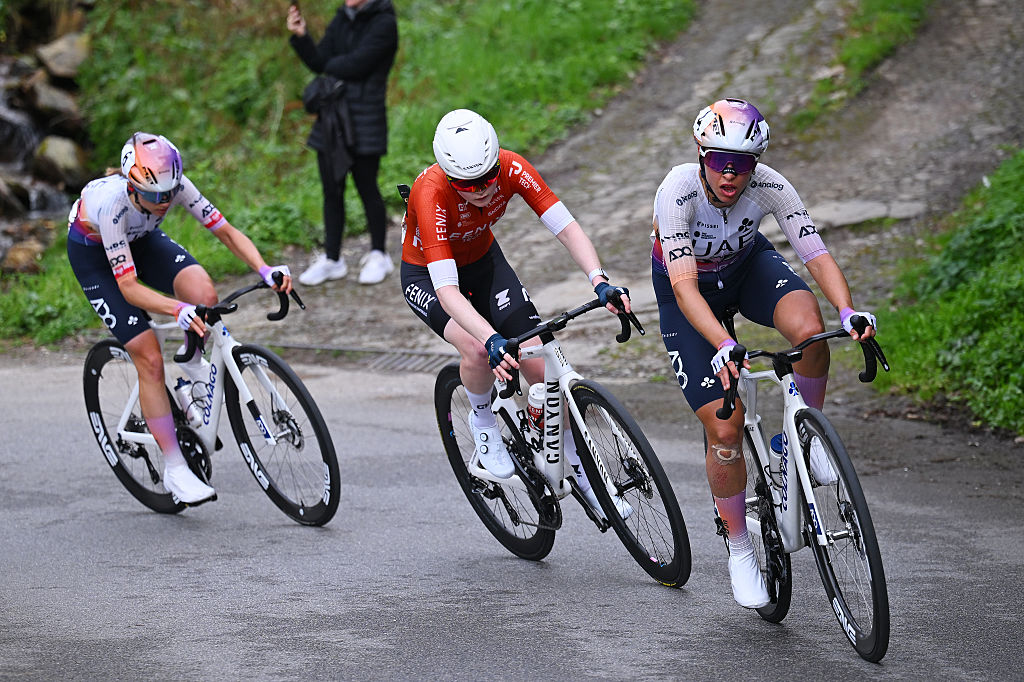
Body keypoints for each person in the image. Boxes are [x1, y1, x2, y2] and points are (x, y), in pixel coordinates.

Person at [651, 98, 877, 608]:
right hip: (686, 292)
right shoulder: (678, 191)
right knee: (725, 429)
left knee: (811, 330)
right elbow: (686, 290)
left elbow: (814, 252)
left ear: (757, 163)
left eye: (743, 163)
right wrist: (726, 344)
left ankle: (802, 435)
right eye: (719, 160)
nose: (731, 174)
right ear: (701, 154)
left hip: (746, 268)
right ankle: (738, 547)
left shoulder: (771, 185)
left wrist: (848, 311)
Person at [401, 108, 633, 518]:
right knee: (475, 349)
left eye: (489, 178)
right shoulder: (431, 192)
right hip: (429, 275)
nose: (483, 190)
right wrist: (490, 339)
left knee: (539, 365)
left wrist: (599, 280)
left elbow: (565, 226)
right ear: (449, 176)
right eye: (468, 185)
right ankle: (484, 421)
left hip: (484, 261)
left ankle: (580, 469)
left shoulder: (511, 167)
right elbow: (448, 291)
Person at [67, 131, 293, 505]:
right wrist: (177, 310)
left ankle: (190, 361)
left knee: (204, 292)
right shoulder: (112, 206)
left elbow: (226, 232)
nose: (165, 202)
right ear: (132, 184)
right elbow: (129, 288)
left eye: (170, 193)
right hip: (95, 257)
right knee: (149, 357)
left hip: (139, 241)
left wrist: (265, 269)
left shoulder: (171, 187)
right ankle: (175, 468)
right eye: (156, 196)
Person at [287, 0, 398, 286]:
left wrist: (329, 66)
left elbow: (357, 65)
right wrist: (302, 38)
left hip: (365, 119)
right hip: (332, 119)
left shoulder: (384, 21)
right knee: (331, 189)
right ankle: (332, 259)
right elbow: (319, 60)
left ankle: (379, 253)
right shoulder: (342, 17)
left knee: (366, 186)